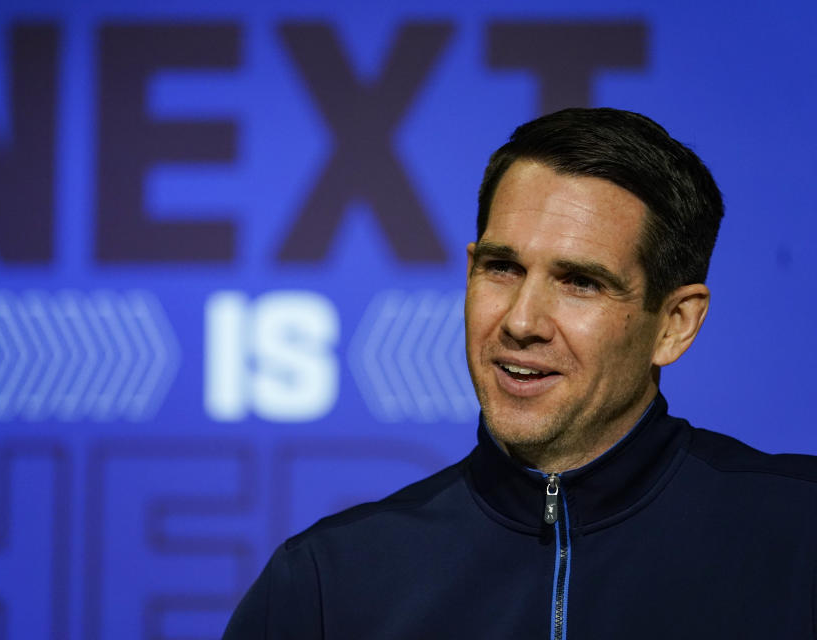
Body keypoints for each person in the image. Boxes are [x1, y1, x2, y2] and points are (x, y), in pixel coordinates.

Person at [222, 108, 817, 639]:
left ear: (675, 325)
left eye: (580, 282)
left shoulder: (798, 538)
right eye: (502, 268)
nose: (522, 321)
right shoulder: (326, 583)